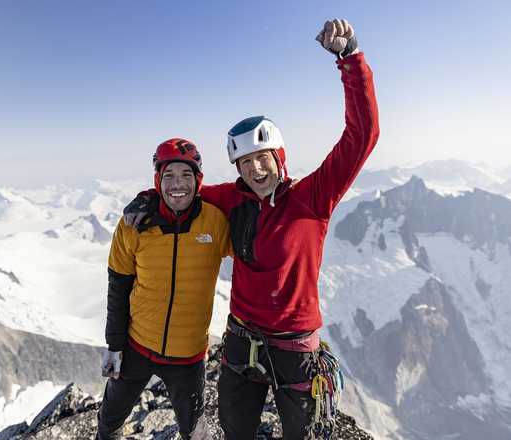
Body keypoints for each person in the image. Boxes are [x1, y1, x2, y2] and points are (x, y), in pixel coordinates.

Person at [123, 19, 379, 440]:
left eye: (263, 158)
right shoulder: (232, 198)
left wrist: (350, 58)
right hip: (242, 339)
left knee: (303, 433)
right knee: (235, 428)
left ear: (279, 157)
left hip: (295, 345)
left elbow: (362, 135)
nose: (256, 169)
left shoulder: (313, 197)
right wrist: (152, 197)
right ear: (238, 169)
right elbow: (186, 192)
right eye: (246, 163)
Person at [97, 138, 232, 440]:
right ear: (157, 180)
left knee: (194, 430)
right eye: (168, 175)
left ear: (198, 181)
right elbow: (118, 287)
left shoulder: (215, 223)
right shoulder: (134, 224)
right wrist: (114, 345)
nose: (177, 184)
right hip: (136, 346)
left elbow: (252, 255)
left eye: (186, 175)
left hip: (188, 358)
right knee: (109, 420)